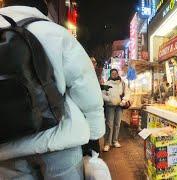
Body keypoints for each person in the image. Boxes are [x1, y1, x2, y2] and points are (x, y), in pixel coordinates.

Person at [0, 1, 105, 179]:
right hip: (58, 140)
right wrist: (95, 135)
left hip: (6, 148)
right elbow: (84, 85)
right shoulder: (53, 32)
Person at [102, 69, 130, 152]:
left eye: (115, 73)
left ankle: (115, 141)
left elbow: (127, 92)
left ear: (117, 74)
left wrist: (124, 101)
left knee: (117, 124)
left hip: (119, 106)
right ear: (110, 74)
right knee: (109, 124)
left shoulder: (122, 83)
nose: (114, 74)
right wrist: (109, 99)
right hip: (110, 106)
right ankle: (107, 143)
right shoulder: (107, 84)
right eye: (112, 73)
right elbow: (102, 94)